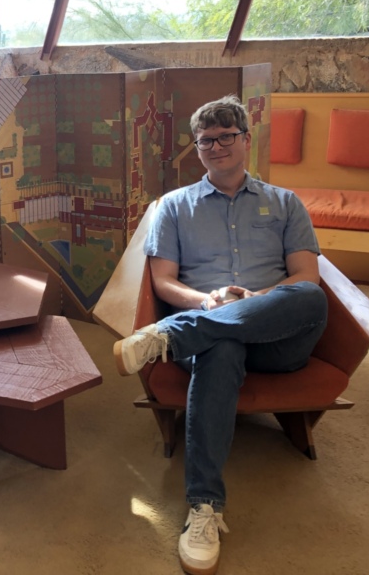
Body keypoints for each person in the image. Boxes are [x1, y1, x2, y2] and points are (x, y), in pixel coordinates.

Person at [113, 96, 327, 575]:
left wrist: (254, 301)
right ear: (198, 148)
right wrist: (207, 302)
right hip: (211, 329)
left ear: (247, 140)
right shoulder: (173, 206)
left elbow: (305, 277)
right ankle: (203, 507)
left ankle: (171, 337)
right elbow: (163, 281)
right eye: (206, 140)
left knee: (313, 299)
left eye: (226, 136)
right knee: (222, 343)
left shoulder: (285, 203)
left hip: (278, 338)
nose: (215, 146)